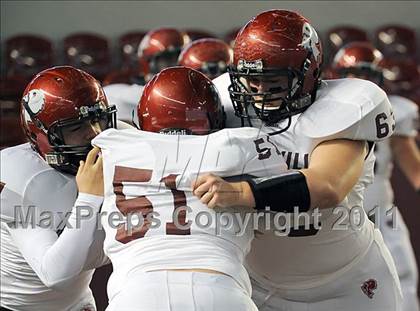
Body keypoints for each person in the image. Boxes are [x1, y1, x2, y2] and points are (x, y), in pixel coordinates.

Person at [195, 9, 402, 310]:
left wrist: (242, 192)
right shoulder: (222, 102)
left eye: (274, 81)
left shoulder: (345, 107)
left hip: (348, 283)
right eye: (251, 81)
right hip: (259, 285)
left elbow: (327, 186)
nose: (259, 91)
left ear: (308, 74)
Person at [92, 66, 289, 310]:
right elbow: (287, 192)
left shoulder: (112, 145)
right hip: (219, 289)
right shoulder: (242, 144)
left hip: (135, 294)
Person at [0, 66, 115, 311]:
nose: (94, 135)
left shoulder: (121, 144)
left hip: (79, 304)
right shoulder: (24, 178)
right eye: (75, 128)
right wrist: (89, 198)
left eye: (98, 120)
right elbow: (56, 275)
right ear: (39, 134)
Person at [331, 41, 420, 311]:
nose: (361, 82)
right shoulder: (323, 109)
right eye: (354, 74)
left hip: (383, 211)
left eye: (368, 75)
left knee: (402, 275)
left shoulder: (395, 110)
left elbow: (412, 165)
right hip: (337, 214)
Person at [103, 27, 188, 125]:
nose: (178, 64)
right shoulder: (122, 91)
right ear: (149, 61)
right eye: (168, 58)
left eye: (182, 57)